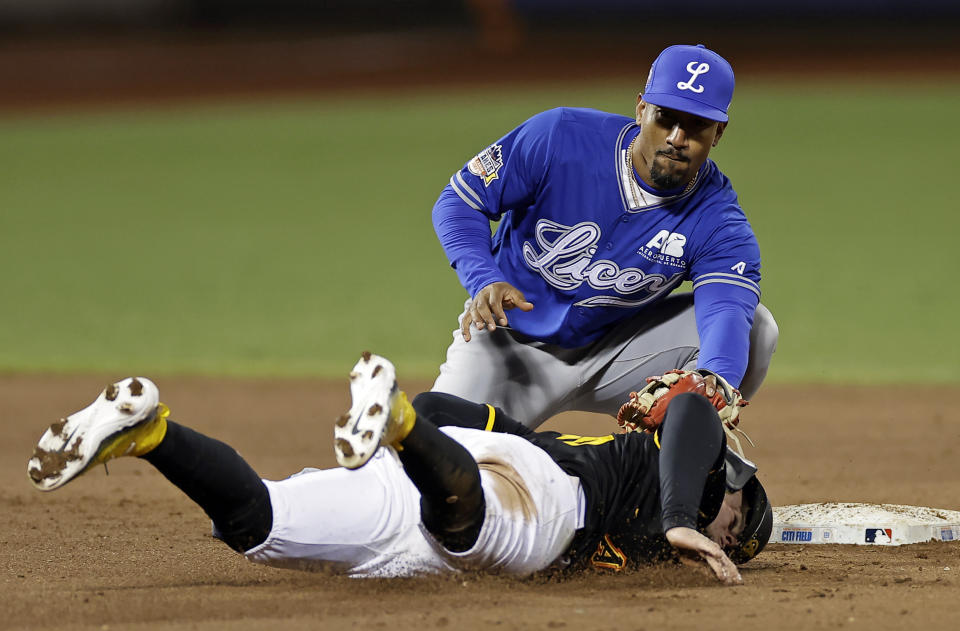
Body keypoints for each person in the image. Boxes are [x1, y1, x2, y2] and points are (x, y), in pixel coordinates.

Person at [27, 353, 772, 584]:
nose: (729, 539)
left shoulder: (651, 519)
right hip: (544, 503)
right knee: (478, 533)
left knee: (260, 526)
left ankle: (149, 431)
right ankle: (401, 425)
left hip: (449, 474)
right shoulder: (676, 471)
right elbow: (691, 413)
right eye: (738, 527)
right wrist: (682, 518)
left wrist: (424, 414)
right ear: (728, 489)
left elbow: (460, 406)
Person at [432, 44, 779, 428]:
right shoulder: (560, 137)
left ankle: (683, 463)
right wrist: (484, 278)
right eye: (666, 118)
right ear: (641, 108)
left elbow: (726, 311)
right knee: (437, 456)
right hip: (507, 346)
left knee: (758, 329)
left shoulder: (719, 220)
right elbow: (459, 202)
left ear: (718, 133)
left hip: (621, 354)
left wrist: (712, 384)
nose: (677, 138)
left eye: (696, 125)